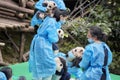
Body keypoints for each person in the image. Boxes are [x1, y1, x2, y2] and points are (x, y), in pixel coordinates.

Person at [28, 8, 69, 80]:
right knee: (49, 63)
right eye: (65, 18)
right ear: (61, 16)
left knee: (39, 61)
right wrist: (58, 37)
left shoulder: (49, 19)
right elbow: (52, 38)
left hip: (38, 42)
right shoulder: (52, 22)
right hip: (43, 44)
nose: (64, 20)